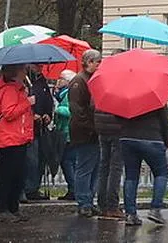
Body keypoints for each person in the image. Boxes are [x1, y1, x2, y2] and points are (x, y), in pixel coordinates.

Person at [0, 64, 35, 222]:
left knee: (17, 175)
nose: (26, 72)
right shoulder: (9, 90)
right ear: (15, 72)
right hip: (10, 138)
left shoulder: (18, 89)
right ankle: (2, 208)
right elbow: (9, 113)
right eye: (23, 69)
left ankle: (12, 207)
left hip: (18, 137)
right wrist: (27, 103)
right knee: (8, 175)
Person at [119, 101, 168, 225]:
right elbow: (165, 121)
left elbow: (118, 117)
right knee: (161, 174)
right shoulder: (156, 97)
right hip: (152, 138)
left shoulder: (125, 95)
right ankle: (155, 209)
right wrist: (167, 141)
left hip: (128, 138)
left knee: (131, 177)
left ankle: (130, 214)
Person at [67, 50, 101, 218]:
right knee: (85, 168)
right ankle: (83, 201)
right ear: (88, 62)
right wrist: (90, 126)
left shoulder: (90, 79)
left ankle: (89, 199)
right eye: (96, 62)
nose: (98, 65)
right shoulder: (78, 81)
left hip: (93, 131)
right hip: (84, 132)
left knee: (94, 168)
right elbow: (77, 109)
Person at [24, 65, 54, 201]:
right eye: (37, 65)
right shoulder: (25, 81)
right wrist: (32, 114)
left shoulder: (42, 81)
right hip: (29, 127)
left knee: (41, 159)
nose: (40, 67)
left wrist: (48, 114)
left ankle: (34, 187)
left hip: (41, 126)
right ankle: (29, 188)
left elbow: (48, 100)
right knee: (31, 159)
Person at [52, 70, 76, 201]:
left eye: (61, 78)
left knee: (67, 161)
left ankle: (73, 188)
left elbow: (71, 111)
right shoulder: (62, 94)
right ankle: (73, 187)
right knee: (68, 161)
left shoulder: (69, 94)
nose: (58, 81)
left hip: (68, 132)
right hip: (64, 131)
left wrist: (57, 109)